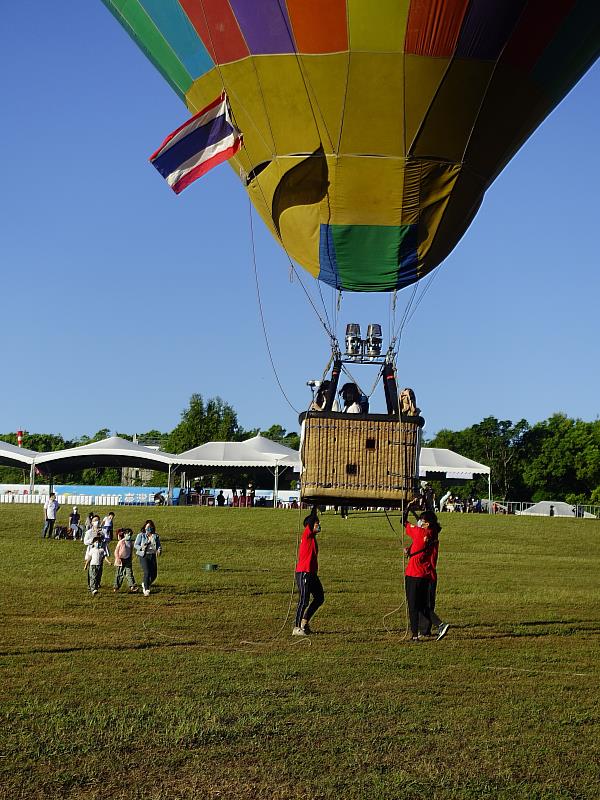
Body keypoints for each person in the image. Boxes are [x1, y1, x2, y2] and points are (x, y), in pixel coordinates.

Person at [403, 499, 434, 642]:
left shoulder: (420, 533)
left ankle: (415, 634)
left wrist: (408, 507)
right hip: (425, 574)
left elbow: (403, 521)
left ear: (426, 523)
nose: (419, 522)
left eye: (422, 520)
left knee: (413, 605)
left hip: (413, 573)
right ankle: (436, 626)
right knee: (422, 605)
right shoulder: (431, 534)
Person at [293, 509, 325, 636]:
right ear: (310, 525)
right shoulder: (307, 534)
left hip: (312, 573)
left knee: (319, 598)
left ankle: (304, 622)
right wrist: (315, 506)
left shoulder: (312, 538)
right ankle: (296, 627)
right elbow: (312, 519)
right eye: (317, 523)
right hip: (304, 572)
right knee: (304, 600)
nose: (319, 525)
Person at [134, 520, 162, 596]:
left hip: (152, 555)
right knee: (147, 572)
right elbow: (135, 545)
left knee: (154, 574)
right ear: (145, 527)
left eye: (150, 527)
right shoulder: (141, 535)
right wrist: (142, 547)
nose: (149, 528)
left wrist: (159, 550)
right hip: (144, 555)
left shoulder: (155, 536)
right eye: (147, 526)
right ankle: (146, 589)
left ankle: (145, 583)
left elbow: (159, 545)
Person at [113, 529, 138, 593]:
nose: (129, 536)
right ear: (124, 534)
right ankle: (116, 587)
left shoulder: (130, 542)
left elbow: (131, 550)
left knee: (129, 573)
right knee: (119, 574)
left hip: (128, 559)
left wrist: (131, 557)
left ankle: (132, 586)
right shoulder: (121, 542)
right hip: (120, 559)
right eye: (128, 535)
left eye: (130, 535)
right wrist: (117, 558)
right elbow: (116, 551)